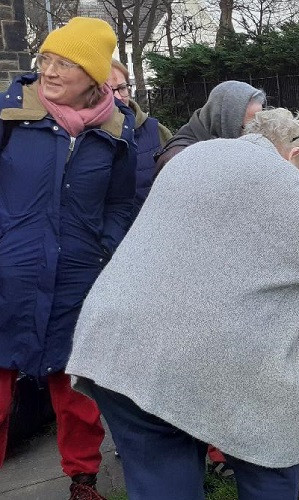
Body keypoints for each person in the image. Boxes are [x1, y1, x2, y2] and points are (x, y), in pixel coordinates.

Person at [65, 108, 299, 500]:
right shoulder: (277, 175)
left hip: (116, 341)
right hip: (192, 356)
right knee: (266, 458)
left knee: (161, 482)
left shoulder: (195, 155)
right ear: (293, 154)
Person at [0, 17, 136, 500]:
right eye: (46, 60)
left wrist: (105, 250)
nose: (50, 72)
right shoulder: (11, 116)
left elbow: (123, 202)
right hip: (8, 278)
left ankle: (83, 481)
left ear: (95, 77)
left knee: (76, 394)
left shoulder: (120, 131)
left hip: (77, 279)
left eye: (66, 63)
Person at [155, 80, 265, 172]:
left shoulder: (228, 146)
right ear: (223, 121)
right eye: (247, 127)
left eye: (256, 125)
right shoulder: (180, 159)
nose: (254, 133)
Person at [106, 59, 172, 211]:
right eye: (108, 91)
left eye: (122, 88)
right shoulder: (84, 136)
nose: (118, 97)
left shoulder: (157, 131)